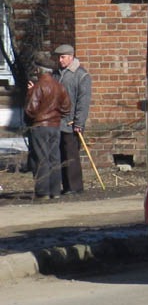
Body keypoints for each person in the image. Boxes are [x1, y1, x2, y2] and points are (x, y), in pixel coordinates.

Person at [24, 56, 71, 201]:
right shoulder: (59, 86)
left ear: (39, 70)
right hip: (55, 126)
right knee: (54, 158)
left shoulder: (38, 87)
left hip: (40, 127)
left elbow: (30, 110)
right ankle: (55, 191)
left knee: (41, 159)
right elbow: (66, 107)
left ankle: (43, 191)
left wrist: (30, 93)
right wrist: (56, 116)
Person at [54, 43, 91, 195]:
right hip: (57, 122)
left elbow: (83, 101)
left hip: (71, 123)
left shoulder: (81, 75)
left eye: (63, 57)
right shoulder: (56, 74)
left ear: (71, 57)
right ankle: (66, 186)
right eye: (59, 57)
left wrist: (79, 122)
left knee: (71, 155)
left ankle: (75, 187)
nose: (60, 60)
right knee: (61, 154)